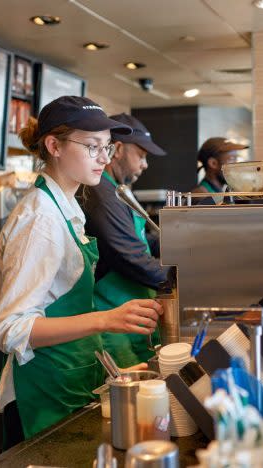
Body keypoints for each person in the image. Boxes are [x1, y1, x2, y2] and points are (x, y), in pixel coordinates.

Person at [0, 96, 163, 445]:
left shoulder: (67, 206)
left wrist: (113, 372)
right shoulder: (39, 219)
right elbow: (10, 329)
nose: (104, 157)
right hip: (45, 389)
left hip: (72, 376)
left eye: (107, 147)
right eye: (92, 146)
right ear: (54, 145)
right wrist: (107, 320)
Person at [81, 113, 169, 368]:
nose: (145, 165)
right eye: (141, 155)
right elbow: (130, 257)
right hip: (113, 325)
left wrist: (181, 244)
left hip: (132, 318)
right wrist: (182, 276)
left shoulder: (116, 190)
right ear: (118, 149)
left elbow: (142, 241)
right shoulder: (101, 194)